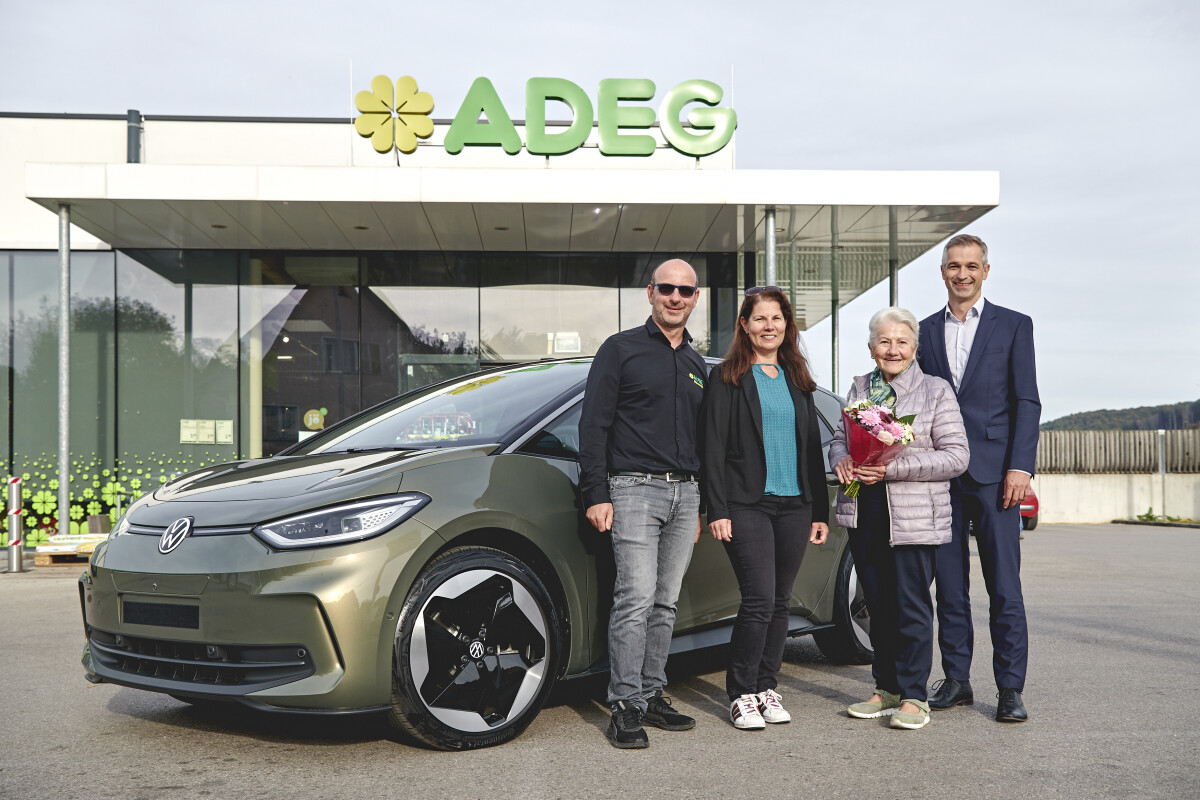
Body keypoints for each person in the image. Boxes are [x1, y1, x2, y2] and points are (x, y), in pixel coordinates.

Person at [579, 258, 708, 749]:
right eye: (667, 289)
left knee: (665, 600)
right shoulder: (620, 350)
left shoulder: (697, 365)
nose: (676, 298)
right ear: (650, 293)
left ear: (696, 299)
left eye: (686, 291)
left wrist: (700, 505)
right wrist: (596, 492)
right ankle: (626, 705)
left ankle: (653, 694)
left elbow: (705, 440)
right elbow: (593, 425)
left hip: (686, 493)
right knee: (634, 597)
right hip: (633, 488)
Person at [917, 233, 1041, 723]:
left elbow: (1026, 401)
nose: (962, 274)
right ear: (942, 271)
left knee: (1004, 586)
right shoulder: (923, 331)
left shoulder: (1014, 326)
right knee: (949, 586)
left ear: (985, 270)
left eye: (971, 265)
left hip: (996, 477)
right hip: (941, 478)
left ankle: (1010, 688)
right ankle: (958, 680)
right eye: (953, 266)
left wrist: (1020, 466)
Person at [830, 307, 968, 730]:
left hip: (911, 516)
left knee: (910, 605)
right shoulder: (858, 388)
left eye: (901, 342)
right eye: (884, 342)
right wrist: (842, 462)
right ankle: (886, 688)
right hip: (865, 510)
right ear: (872, 348)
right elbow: (840, 439)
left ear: (914, 348)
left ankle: (914, 695)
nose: (892, 349)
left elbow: (957, 456)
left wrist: (893, 468)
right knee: (877, 605)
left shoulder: (935, 391)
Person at [701, 287, 830, 730]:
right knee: (757, 599)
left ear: (787, 326)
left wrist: (820, 513)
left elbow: (812, 449)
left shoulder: (798, 379)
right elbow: (712, 449)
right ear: (744, 325)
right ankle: (740, 693)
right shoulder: (728, 378)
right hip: (746, 505)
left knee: (780, 601)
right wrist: (715, 508)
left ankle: (766, 688)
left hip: (795, 505)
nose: (769, 326)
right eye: (760, 319)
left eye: (777, 319)